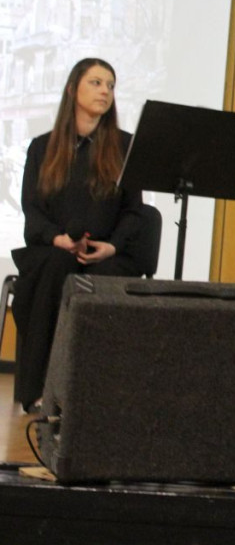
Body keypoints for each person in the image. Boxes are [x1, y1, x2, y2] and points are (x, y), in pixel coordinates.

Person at [12, 58, 144, 413]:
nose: (105, 91)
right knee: (54, 267)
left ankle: (97, 393)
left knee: (104, 279)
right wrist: (58, 239)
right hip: (55, 248)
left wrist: (111, 246)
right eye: (96, 82)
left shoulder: (124, 145)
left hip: (107, 254)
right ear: (73, 89)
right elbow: (32, 208)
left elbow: (134, 211)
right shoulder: (43, 147)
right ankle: (39, 390)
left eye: (111, 85)